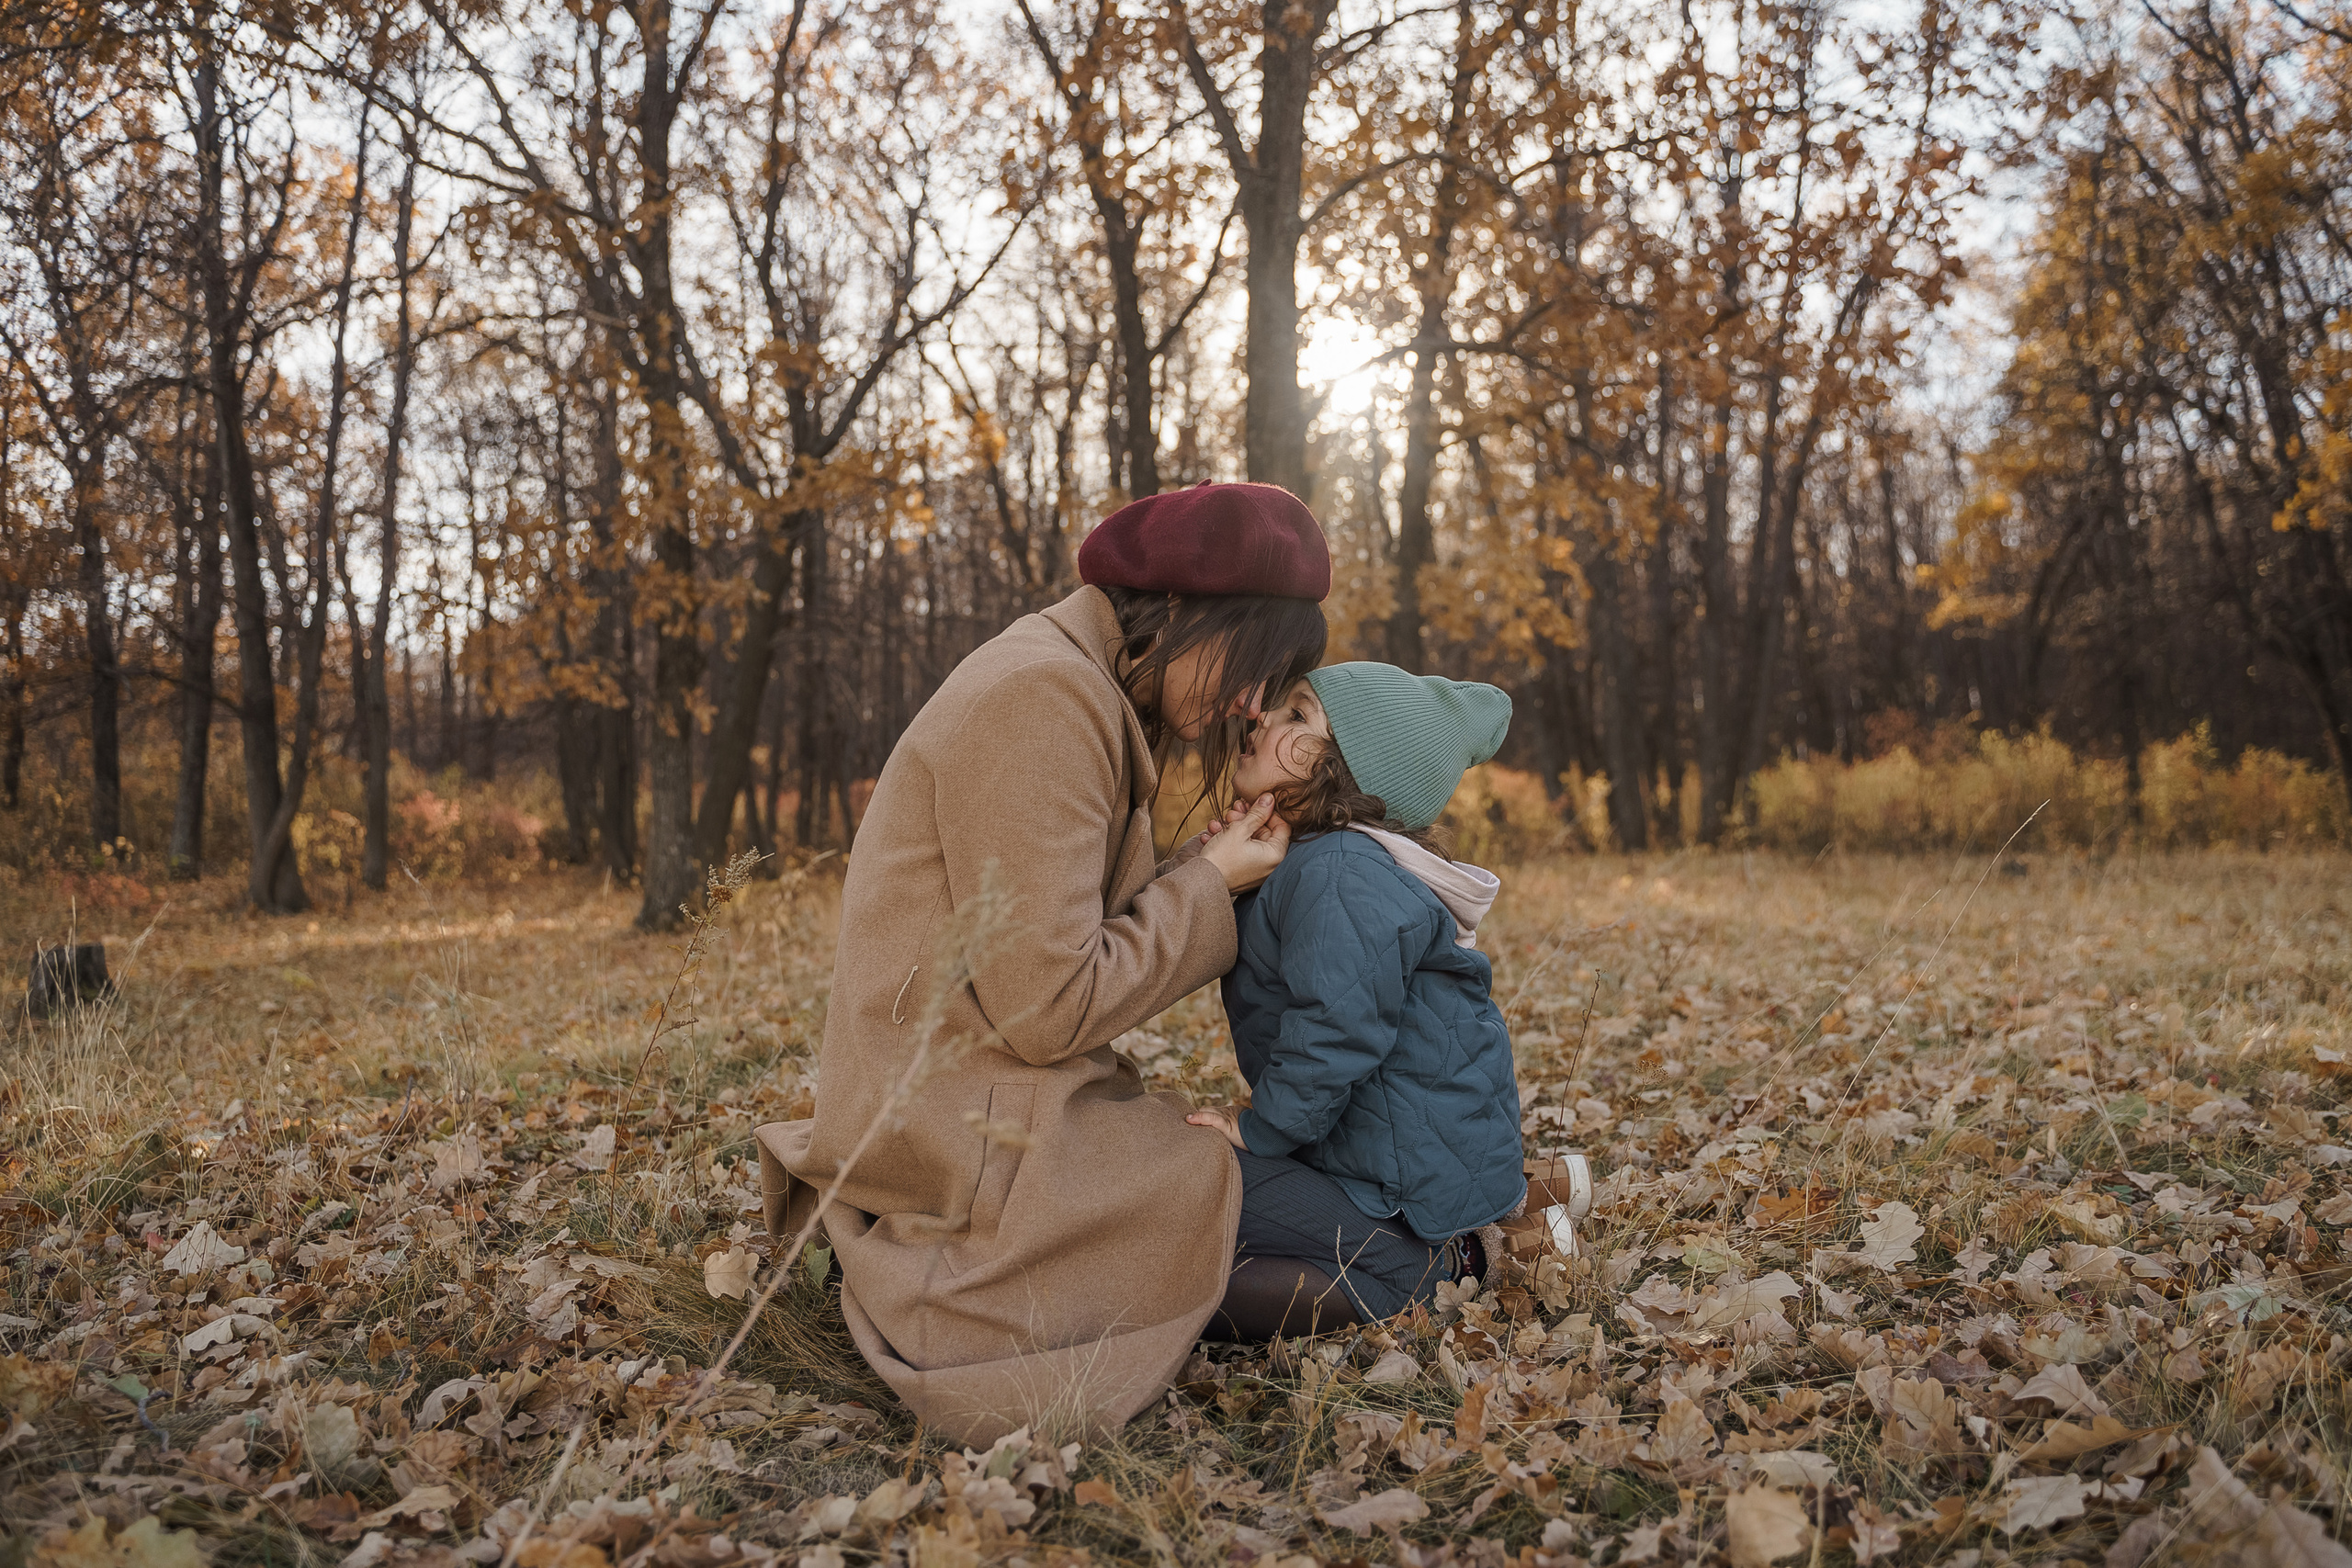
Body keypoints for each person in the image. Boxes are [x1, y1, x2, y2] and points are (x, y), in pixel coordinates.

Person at [755, 483, 1328, 1446]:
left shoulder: (1076, 681)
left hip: (995, 1103)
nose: (1250, 705)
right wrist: (1207, 888)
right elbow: (1051, 1003)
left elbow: (1046, 934)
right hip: (974, 1144)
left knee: (1301, 1205)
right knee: (1351, 1241)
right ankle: (1480, 1251)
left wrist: (1206, 870)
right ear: (1186, 612)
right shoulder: (1042, 699)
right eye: (1251, 667)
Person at [1183, 662, 1526, 1338]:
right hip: (1382, 1167)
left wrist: (1262, 1131)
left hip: (1398, 1196)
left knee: (1186, 1211)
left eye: (1299, 715)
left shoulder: (1339, 868)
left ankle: (1430, 1269)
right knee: (1182, 1200)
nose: (1262, 719)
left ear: (1346, 771)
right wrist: (1216, 877)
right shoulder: (1321, 860)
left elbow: (1336, 1030)